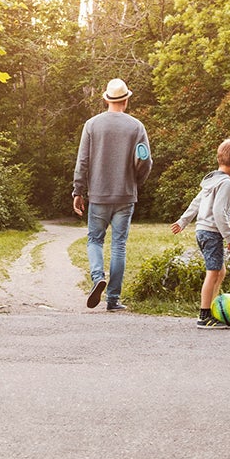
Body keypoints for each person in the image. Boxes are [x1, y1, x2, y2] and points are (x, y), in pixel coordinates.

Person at [73, 77, 153, 311]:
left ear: (106, 99)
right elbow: (146, 161)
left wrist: (78, 191)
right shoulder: (136, 127)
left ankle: (98, 276)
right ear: (126, 100)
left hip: (98, 195)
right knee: (119, 245)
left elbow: (83, 162)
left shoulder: (92, 125)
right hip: (125, 195)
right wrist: (135, 182)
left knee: (94, 240)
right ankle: (113, 300)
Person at [173, 139, 230, 328]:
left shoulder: (212, 180)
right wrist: (229, 237)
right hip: (212, 233)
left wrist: (183, 221)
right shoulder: (226, 184)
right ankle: (204, 316)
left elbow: (196, 203)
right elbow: (219, 213)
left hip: (202, 231)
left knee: (220, 271)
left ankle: (214, 308)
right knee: (213, 273)